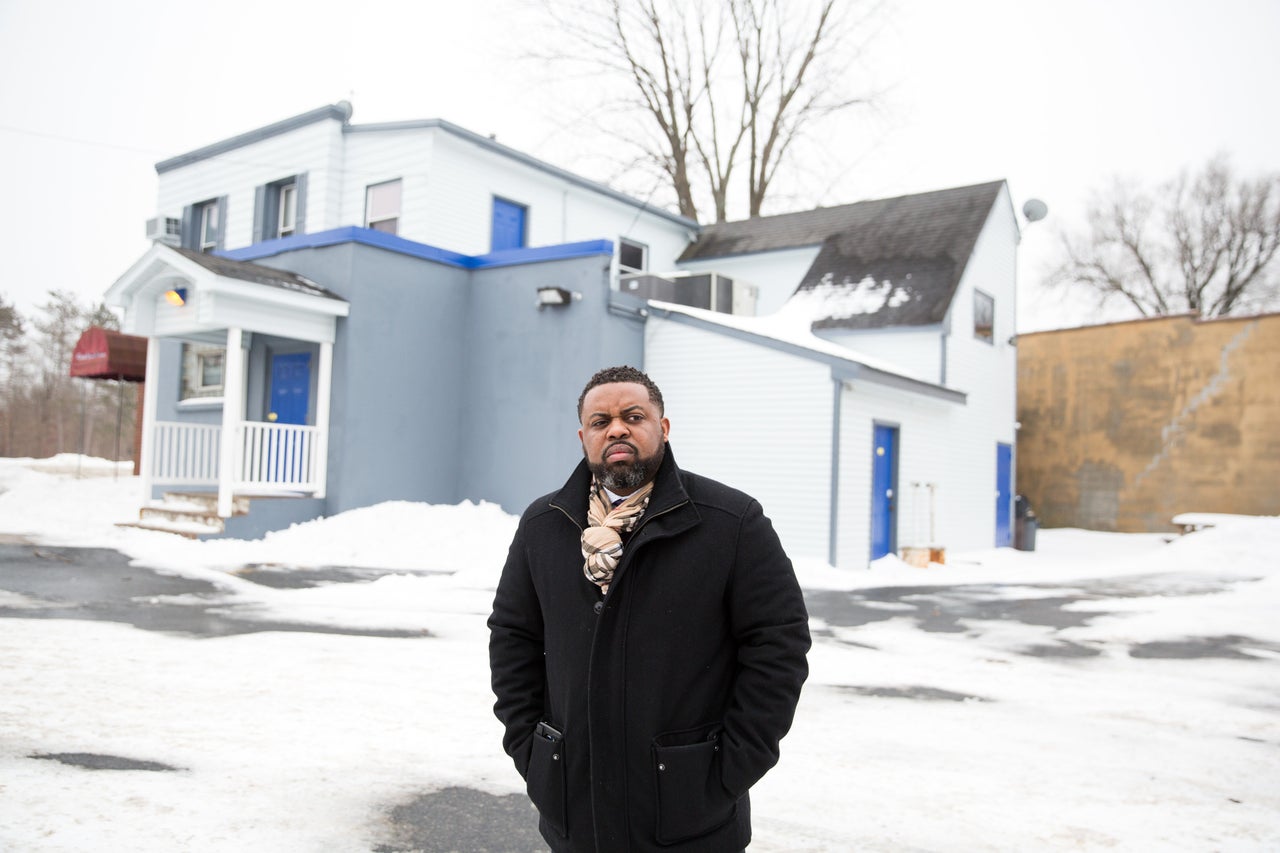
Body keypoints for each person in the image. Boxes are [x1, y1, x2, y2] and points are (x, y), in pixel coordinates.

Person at [488, 365, 811, 852]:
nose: (616, 428)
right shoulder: (544, 524)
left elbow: (777, 645)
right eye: (600, 421)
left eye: (632, 416)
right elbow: (514, 639)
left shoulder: (731, 522)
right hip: (576, 810)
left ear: (662, 428)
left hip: (689, 811)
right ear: (583, 437)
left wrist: (730, 767)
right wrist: (533, 751)